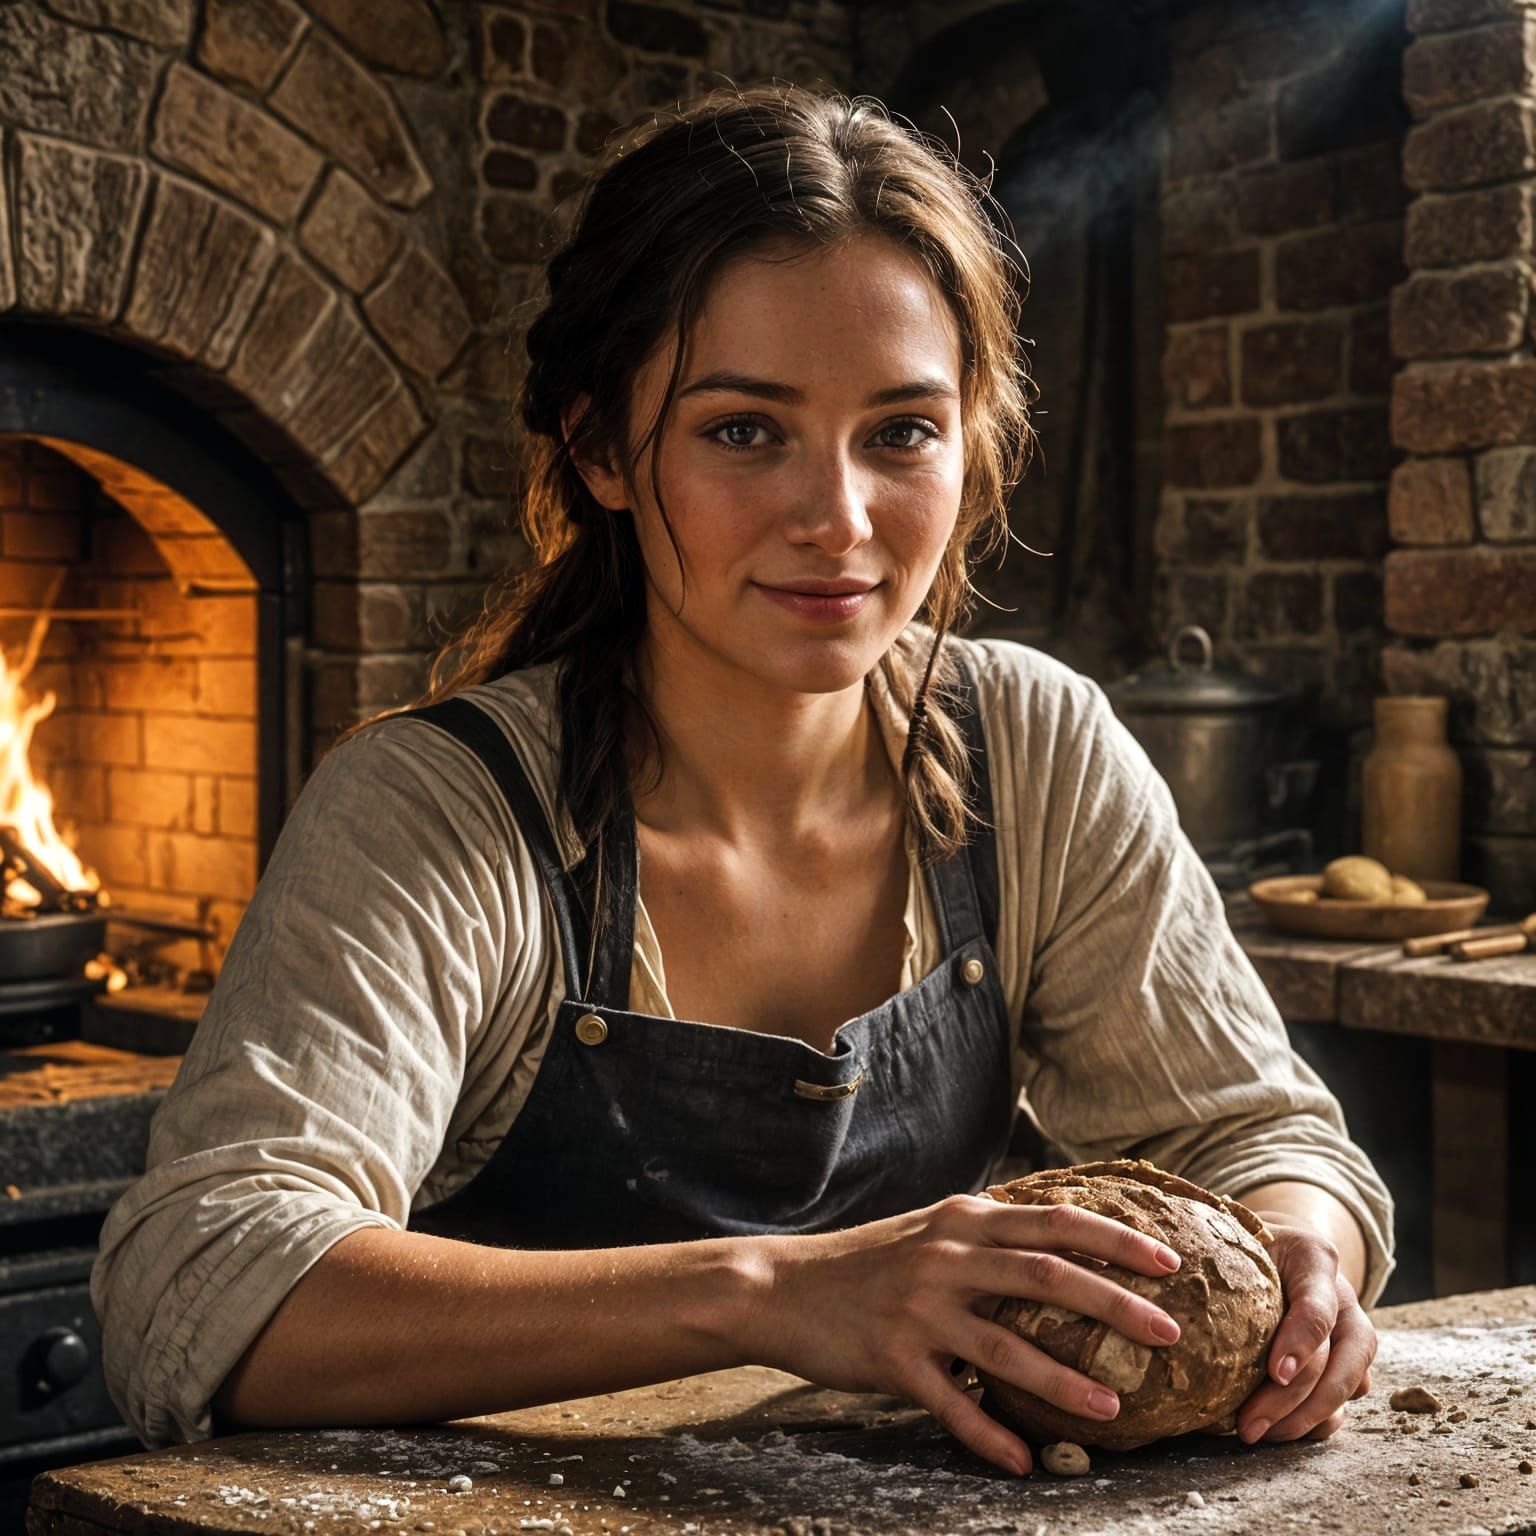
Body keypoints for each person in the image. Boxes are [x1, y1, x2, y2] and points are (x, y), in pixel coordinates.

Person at [91, 84, 1392, 1477]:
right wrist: (778, 1293)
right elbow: (205, 1288)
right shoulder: (441, 811)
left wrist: (1303, 1245)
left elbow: (1252, 1133)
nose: (837, 519)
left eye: (900, 433)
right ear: (599, 449)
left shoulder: (1033, 749)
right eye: (742, 431)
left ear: (975, 447)